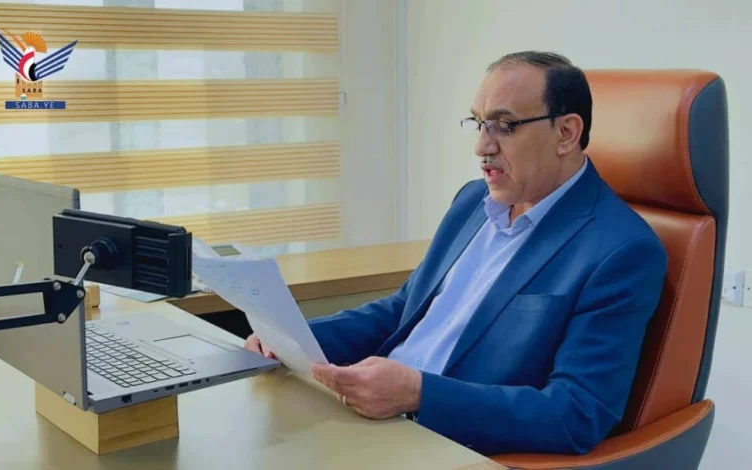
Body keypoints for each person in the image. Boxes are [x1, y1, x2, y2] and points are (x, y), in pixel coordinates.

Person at [244, 51, 667, 456]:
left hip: (446, 445)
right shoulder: (473, 201)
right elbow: (403, 310)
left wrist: (418, 394)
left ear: (566, 133)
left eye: (505, 126)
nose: (482, 146)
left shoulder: (622, 251)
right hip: (371, 419)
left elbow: (576, 413)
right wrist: (292, 339)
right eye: (479, 123)